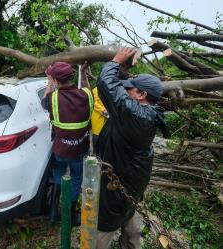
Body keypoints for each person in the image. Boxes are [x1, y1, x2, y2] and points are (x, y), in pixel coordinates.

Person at [95, 48, 169, 249]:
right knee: (130, 215)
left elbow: (106, 84)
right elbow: (118, 86)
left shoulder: (135, 115)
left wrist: (114, 61)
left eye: (132, 89)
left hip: (119, 183)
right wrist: (124, 66)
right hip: (132, 180)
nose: (126, 90)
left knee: (106, 222)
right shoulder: (145, 112)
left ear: (142, 95)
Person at [42, 61, 93, 226]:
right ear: (72, 76)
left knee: (59, 172)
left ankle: (53, 213)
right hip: (79, 148)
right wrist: (84, 73)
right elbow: (86, 86)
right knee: (77, 177)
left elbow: (44, 102)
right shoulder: (87, 95)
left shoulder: (53, 98)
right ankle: (69, 215)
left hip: (61, 149)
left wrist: (49, 84)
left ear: (56, 81)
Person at [91, 87, 108, 152]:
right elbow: (94, 102)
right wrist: (103, 109)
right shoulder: (95, 90)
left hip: (107, 118)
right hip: (98, 117)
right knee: (97, 136)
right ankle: (96, 154)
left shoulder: (109, 89)